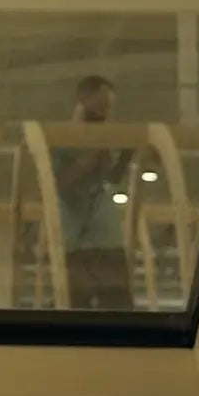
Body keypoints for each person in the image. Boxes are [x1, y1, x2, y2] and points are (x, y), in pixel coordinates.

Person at [52, 73, 136, 311]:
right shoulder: (60, 141)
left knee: (119, 305)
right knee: (78, 307)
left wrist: (126, 155)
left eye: (107, 109)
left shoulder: (101, 138)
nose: (103, 114)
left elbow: (110, 179)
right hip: (78, 241)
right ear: (83, 99)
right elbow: (61, 183)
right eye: (100, 107)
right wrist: (94, 154)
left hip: (107, 237)